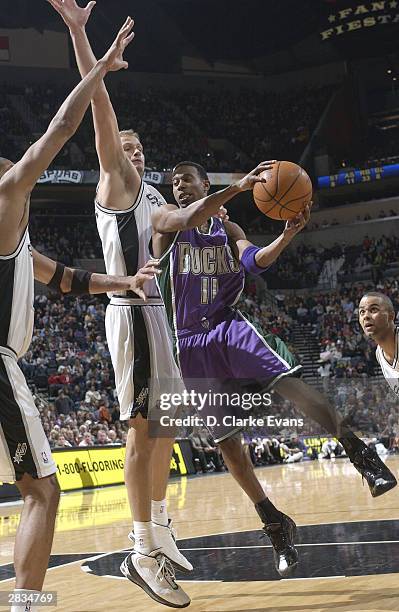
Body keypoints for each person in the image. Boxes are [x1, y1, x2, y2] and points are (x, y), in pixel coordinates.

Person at [151, 161, 397, 574]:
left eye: (186, 180)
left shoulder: (228, 231)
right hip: (190, 344)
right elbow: (187, 217)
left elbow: (253, 262)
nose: (178, 187)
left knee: (290, 384)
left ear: (204, 185)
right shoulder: (168, 228)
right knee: (227, 442)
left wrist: (285, 235)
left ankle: (361, 456)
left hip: (228, 325)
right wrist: (235, 190)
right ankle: (274, 520)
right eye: (173, 182)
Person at [0, 18, 148, 612]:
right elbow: (60, 131)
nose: (17, 174)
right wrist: (97, 65)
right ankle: (25, 607)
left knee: (33, 489)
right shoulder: (7, 197)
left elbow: (62, 276)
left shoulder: (17, 237)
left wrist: (126, 282)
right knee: (43, 491)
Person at [49, 2, 191, 607]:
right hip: (129, 310)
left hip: (156, 311)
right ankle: (141, 549)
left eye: (137, 150)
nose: (129, 153)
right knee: (140, 429)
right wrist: (87, 44)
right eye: (123, 147)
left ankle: (159, 526)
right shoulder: (113, 180)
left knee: (165, 426)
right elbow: (100, 114)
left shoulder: (151, 192)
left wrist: (228, 196)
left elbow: (179, 217)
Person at [359, 292, 399, 397]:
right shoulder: (379, 354)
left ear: (391, 316)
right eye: (362, 312)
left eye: (373, 310)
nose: (366, 316)